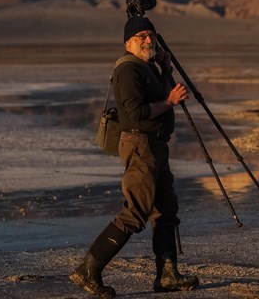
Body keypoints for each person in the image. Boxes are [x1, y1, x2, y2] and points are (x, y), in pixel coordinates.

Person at [69, 16, 198, 297]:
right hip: (141, 146)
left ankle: (167, 275)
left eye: (151, 35)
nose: (149, 40)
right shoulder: (128, 70)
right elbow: (135, 113)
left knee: (166, 209)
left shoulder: (148, 67)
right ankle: (88, 270)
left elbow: (164, 96)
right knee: (136, 211)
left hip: (156, 146)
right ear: (128, 42)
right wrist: (169, 102)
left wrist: (164, 68)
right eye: (141, 36)